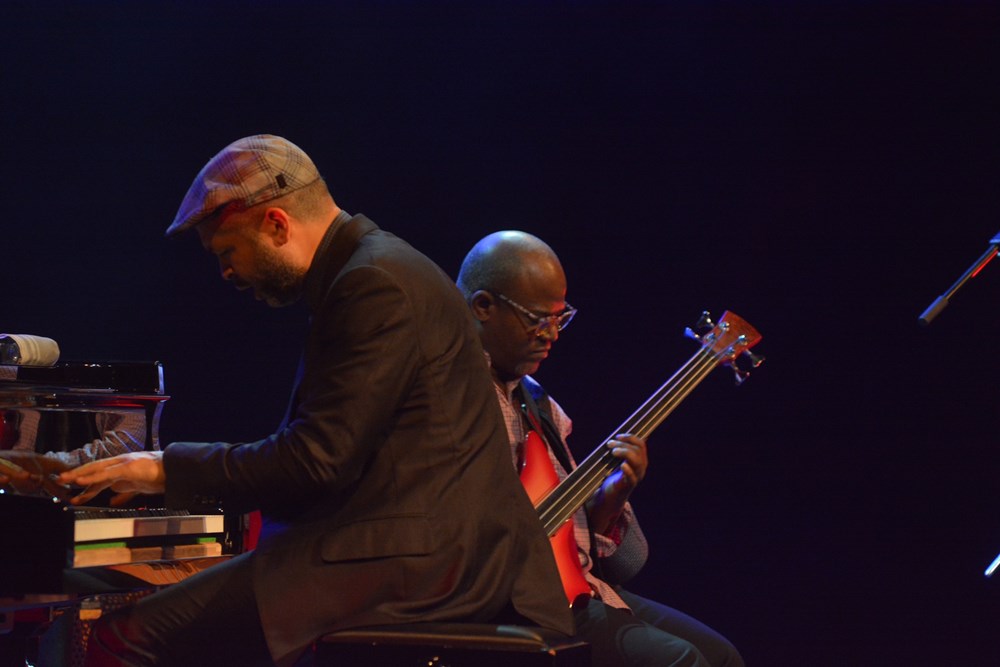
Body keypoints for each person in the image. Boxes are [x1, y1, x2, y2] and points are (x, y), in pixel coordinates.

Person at [59, 136, 573, 667]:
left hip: (421, 568)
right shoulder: (379, 267)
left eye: (227, 252)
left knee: (124, 638)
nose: (226, 274)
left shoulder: (372, 283)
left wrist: (163, 469)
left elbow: (315, 461)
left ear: (277, 224)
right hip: (435, 556)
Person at [457, 230, 744, 667]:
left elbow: (621, 562)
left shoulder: (538, 404)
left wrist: (610, 500)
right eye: (538, 319)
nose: (552, 334)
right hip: (521, 602)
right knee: (681, 662)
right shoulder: (454, 396)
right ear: (483, 306)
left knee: (722, 656)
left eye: (560, 318)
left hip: (577, 587)